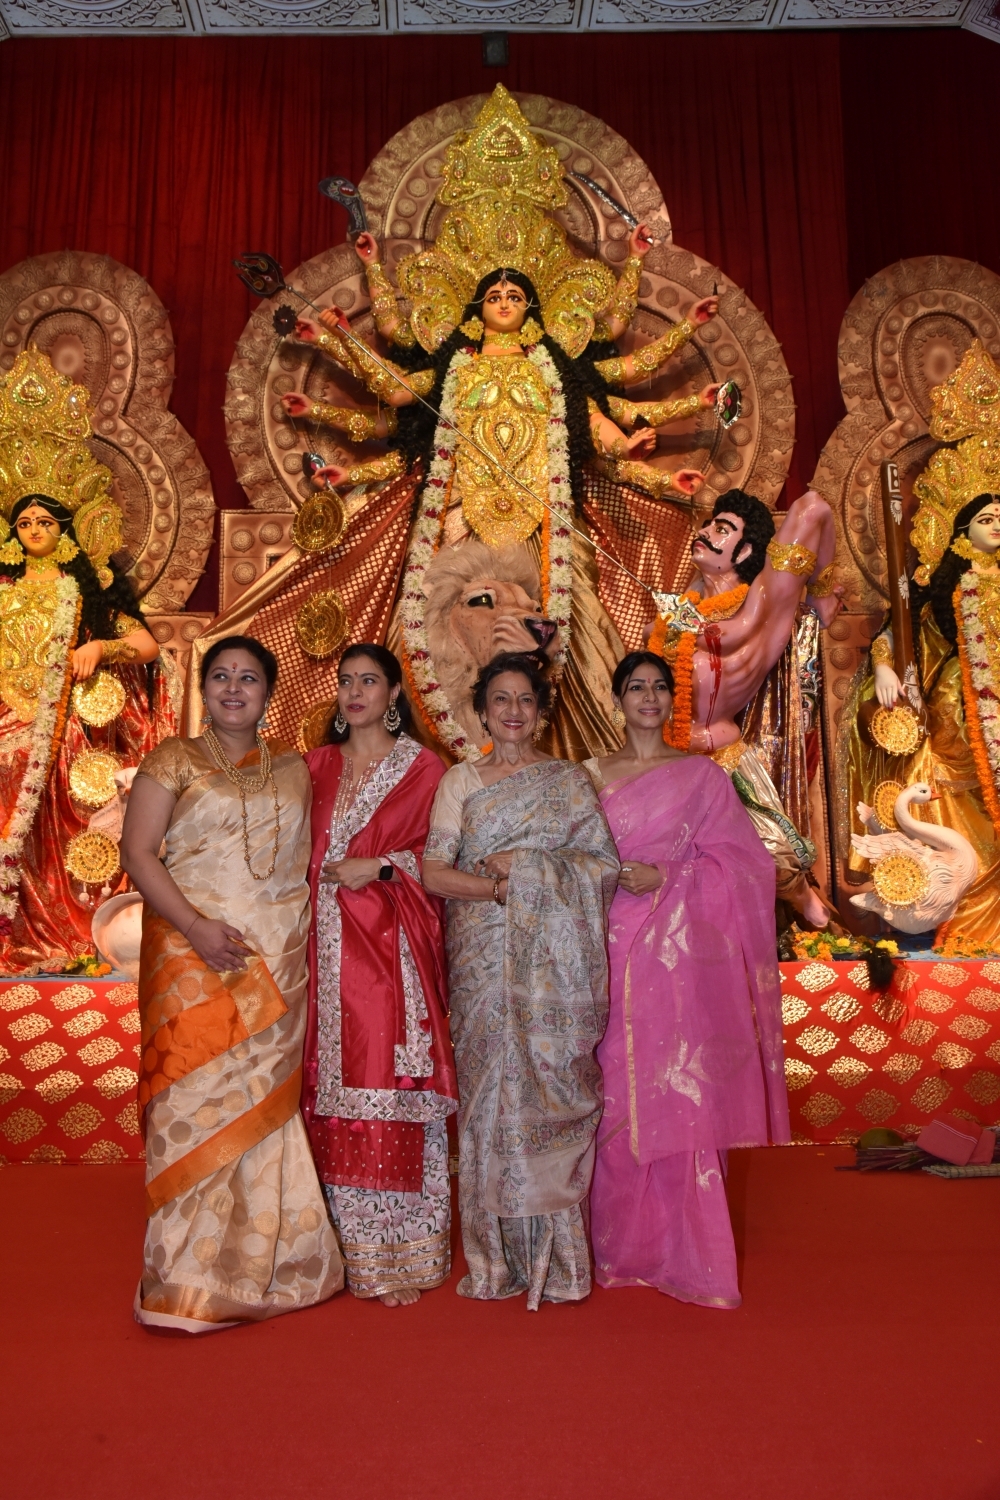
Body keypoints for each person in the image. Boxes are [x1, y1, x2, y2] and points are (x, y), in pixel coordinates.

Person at [277, 85, 720, 763]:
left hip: (543, 519)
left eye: (516, 294)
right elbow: (394, 390)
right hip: (458, 514)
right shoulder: (453, 366)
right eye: (494, 294)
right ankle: (437, 758)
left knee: (557, 627)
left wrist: (631, 446)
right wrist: (344, 323)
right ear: (476, 307)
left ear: (534, 307)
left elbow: (593, 426)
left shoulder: (553, 368)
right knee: (438, 623)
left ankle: (563, 759)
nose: (505, 300)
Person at [120, 635, 343, 1332]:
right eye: (221, 676)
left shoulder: (296, 767)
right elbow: (138, 854)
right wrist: (195, 926)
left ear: (268, 692)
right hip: (191, 956)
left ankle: (273, 1265)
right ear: (205, 688)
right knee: (192, 1104)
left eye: (248, 678)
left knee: (262, 1107)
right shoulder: (173, 759)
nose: (234, 688)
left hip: (274, 959)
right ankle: (185, 1276)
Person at [584, 651, 789, 1309]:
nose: (647, 697)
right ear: (617, 699)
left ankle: (684, 1250)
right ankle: (617, 1248)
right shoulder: (587, 776)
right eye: (635, 688)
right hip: (603, 950)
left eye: (657, 688)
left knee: (676, 1090)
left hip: (675, 962)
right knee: (612, 1094)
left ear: (671, 701)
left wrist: (668, 877)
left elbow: (748, 867)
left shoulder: (702, 777)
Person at [422, 651, 619, 1309]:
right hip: (483, 959)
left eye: (524, 700)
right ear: (482, 712)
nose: (512, 711)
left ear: (540, 712)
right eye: (500, 700)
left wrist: (529, 865)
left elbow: (602, 866)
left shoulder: (568, 782)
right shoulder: (460, 782)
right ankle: (495, 1260)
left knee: (548, 1090)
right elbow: (434, 872)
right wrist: (500, 890)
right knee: (490, 1098)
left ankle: (559, 1263)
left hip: (552, 969)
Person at [0, 346, 173, 975]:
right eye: (24, 521)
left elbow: (148, 646)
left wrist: (101, 647)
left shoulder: (90, 592)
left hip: (64, 735)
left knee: (68, 828)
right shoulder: (3, 589)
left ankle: (69, 932)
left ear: (67, 528)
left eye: (46, 520)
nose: (34, 528)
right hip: (5, 725)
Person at [301, 643, 458, 1307]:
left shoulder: (425, 770)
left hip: (389, 960)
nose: (355, 692)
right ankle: (341, 1252)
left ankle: (402, 1251)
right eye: (346, 681)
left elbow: (447, 859)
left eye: (369, 681)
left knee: (387, 1090)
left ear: (395, 693)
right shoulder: (313, 767)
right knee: (323, 1093)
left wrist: (385, 866)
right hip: (317, 957)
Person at [646, 487, 842, 927]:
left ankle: (804, 901)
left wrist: (820, 594)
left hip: (722, 759)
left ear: (747, 549)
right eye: (707, 524)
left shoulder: (760, 606)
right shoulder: (687, 603)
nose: (704, 533)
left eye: (721, 529)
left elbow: (814, 506)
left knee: (772, 857)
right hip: (665, 760)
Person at [846, 493, 1000, 947]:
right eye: (986, 519)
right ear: (962, 531)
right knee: (970, 812)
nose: (996, 525)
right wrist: (883, 667)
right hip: (962, 712)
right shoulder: (946, 585)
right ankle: (963, 916)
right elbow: (897, 632)